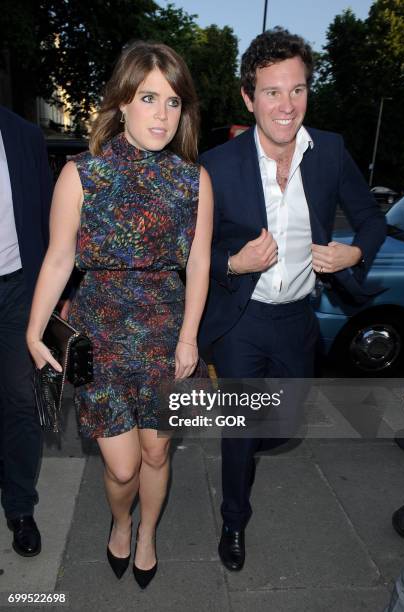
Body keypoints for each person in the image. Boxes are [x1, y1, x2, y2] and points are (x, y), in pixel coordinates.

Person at [198, 27, 386, 572]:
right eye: (272, 92)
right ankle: (233, 520)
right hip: (241, 319)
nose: (286, 105)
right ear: (248, 98)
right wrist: (235, 263)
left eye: (297, 90)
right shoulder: (217, 164)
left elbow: (370, 220)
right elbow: (190, 252)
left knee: (283, 423)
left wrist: (353, 255)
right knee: (242, 429)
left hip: (298, 317)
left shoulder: (330, 151)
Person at [26, 41, 213, 587]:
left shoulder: (192, 180)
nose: (162, 113)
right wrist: (33, 329)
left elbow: (199, 263)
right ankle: (120, 522)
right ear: (123, 102)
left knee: (156, 455)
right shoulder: (80, 176)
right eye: (149, 97)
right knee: (123, 465)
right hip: (99, 336)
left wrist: (189, 337)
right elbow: (59, 257)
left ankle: (148, 533)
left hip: (165, 334)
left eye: (174, 102)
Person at [0, 106, 53, 556]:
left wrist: (58, 292)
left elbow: (48, 221)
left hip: (18, 288)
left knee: (21, 400)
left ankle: (20, 507)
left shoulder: (24, 136)